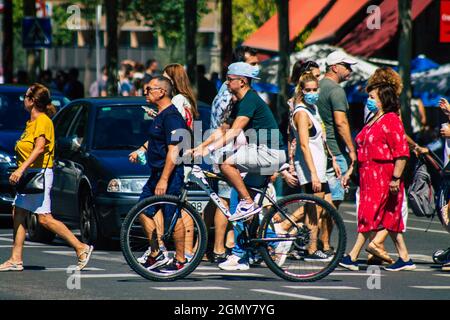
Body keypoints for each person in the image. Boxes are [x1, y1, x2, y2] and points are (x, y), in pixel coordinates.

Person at [189, 62, 286, 270]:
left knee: (226, 164)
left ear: (241, 81)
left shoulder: (250, 100)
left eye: (229, 78)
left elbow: (234, 133)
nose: (226, 81)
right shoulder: (240, 101)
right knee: (239, 208)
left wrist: (209, 151)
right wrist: (200, 147)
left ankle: (248, 203)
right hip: (262, 152)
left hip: (269, 152)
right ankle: (247, 253)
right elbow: (222, 130)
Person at [0, 83, 93, 272]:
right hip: (30, 174)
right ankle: (15, 259)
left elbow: (40, 148)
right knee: (18, 212)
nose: (23, 100)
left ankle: (81, 247)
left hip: (39, 173)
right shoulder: (32, 122)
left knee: (44, 219)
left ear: (32, 101)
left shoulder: (43, 121)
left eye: (26, 96)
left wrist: (20, 169)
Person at [340, 70, 416, 272]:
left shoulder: (391, 120)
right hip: (368, 174)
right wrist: (351, 171)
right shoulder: (374, 119)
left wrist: (395, 178)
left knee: (370, 215)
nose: (369, 100)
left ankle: (352, 256)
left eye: (372, 97)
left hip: (383, 175)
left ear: (383, 99)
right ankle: (405, 259)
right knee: (389, 217)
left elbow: (401, 152)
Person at [206, 46, 260, 264]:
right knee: (226, 201)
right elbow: (228, 129)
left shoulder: (236, 93)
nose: (257, 68)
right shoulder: (232, 96)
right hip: (227, 152)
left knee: (221, 201)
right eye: (252, 64)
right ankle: (219, 248)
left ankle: (215, 245)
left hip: (230, 151)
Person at [128, 76, 188, 271]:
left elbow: (174, 149)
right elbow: (156, 139)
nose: (145, 93)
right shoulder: (160, 115)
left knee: (172, 216)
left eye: (149, 89)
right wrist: (141, 150)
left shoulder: (172, 116)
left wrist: (164, 179)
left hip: (169, 174)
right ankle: (157, 252)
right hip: (156, 173)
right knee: (142, 211)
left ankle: (180, 260)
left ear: (161, 92)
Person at [285, 72, 340, 262]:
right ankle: (311, 248)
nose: (312, 93)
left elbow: (321, 140)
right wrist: (314, 174)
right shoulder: (301, 113)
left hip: (320, 165)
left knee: (320, 208)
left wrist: (333, 158)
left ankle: (305, 243)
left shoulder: (313, 109)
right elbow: (303, 144)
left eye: (315, 89)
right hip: (310, 169)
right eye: (308, 90)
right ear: (301, 90)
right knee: (314, 210)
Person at [162, 63, 199, 260]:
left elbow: (176, 126)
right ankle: (189, 249)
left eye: (165, 78)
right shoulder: (186, 99)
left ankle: (184, 251)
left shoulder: (176, 100)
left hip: (180, 154)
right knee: (185, 206)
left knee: (180, 207)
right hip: (187, 153)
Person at [317, 51, 357, 209]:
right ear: (334, 67)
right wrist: (351, 149)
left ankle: (314, 234)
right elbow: (341, 123)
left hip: (319, 150)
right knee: (334, 202)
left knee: (320, 198)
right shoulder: (337, 90)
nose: (350, 70)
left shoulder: (316, 87)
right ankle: (286, 226)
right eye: (346, 66)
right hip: (335, 151)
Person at [162, 64, 199, 130]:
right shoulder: (185, 98)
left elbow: (173, 125)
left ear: (174, 80)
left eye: (165, 79)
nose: (162, 82)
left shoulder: (178, 99)